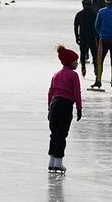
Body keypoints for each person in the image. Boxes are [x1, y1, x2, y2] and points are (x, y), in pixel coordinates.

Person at [47, 45, 82, 173]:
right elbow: (77, 92)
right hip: (65, 106)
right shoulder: (73, 75)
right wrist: (79, 108)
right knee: (62, 134)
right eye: (75, 61)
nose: (77, 63)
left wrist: (49, 109)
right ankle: (58, 162)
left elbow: (50, 92)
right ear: (69, 61)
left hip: (54, 105)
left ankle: (51, 161)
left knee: (54, 133)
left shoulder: (56, 74)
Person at [73, 0, 98, 78]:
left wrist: (77, 37)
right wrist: (98, 37)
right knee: (94, 54)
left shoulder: (79, 14)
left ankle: (83, 68)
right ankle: (96, 69)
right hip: (92, 37)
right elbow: (98, 26)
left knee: (83, 54)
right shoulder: (94, 14)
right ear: (91, 4)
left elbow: (76, 26)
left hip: (83, 37)